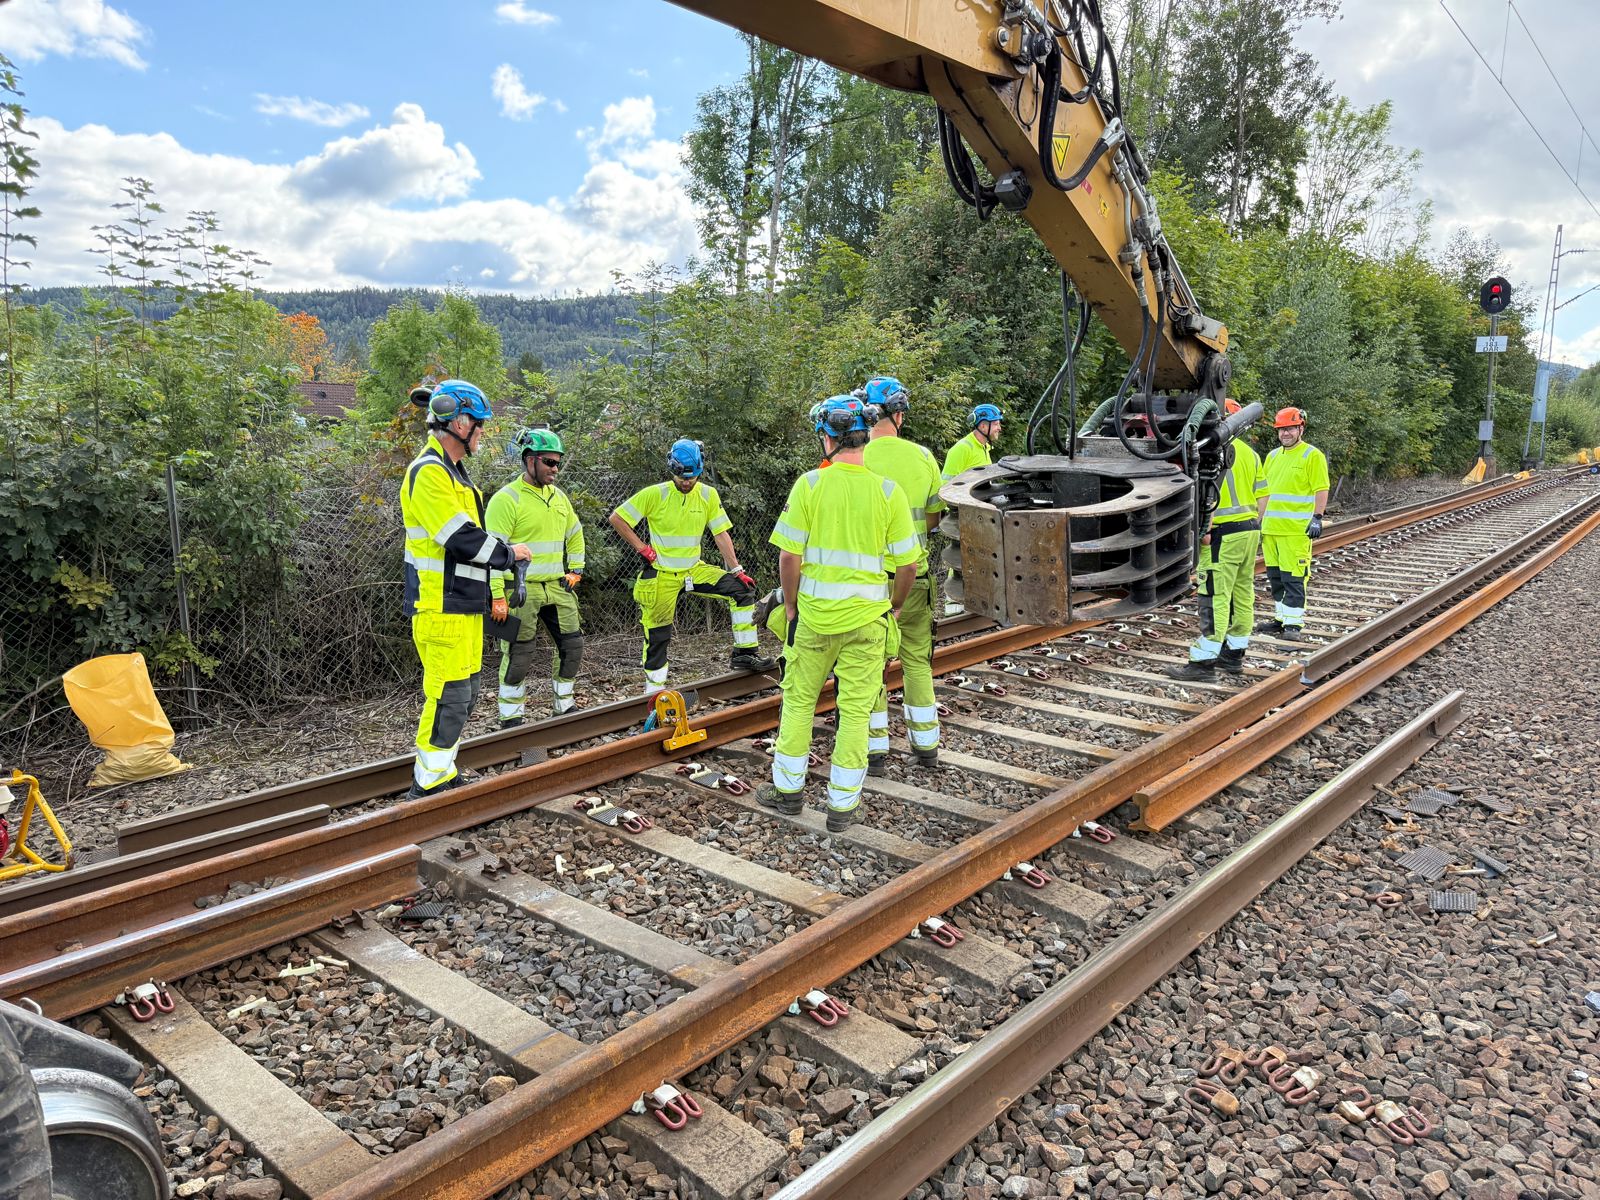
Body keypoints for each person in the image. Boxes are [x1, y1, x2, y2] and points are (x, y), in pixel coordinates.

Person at [757, 396, 918, 832]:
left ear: (827, 439)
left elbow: (789, 557)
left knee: (798, 704)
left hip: (812, 621)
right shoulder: (889, 492)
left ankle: (788, 793)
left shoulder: (809, 485)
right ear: (864, 439)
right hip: (867, 622)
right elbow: (908, 565)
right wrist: (896, 604)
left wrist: (791, 604)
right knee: (855, 712)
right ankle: (842, 807)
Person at [400, 379, 532, 798]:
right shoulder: (429, 473)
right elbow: (460, 538)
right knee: (450, 695)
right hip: (441, 605)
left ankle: (441, 772)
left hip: (463, 606)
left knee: (465, 693)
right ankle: (429, 784)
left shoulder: (454, 474)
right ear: (460, 423)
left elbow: (470, 542)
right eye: (480, 424)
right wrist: (509, 554)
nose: (483, 432)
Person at [609, 439, 775, 694]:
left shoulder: (708, 495)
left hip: (694, 570)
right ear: (672, 470)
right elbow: (617, 518)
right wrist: (642, 548)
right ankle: (654, 691)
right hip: (662, 574)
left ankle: (745, 654)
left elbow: (720, 533)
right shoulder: (655, 494)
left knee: (742, 591)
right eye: (681, 477)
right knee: (658, 633)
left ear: (699, 471)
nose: (686, 482)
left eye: (692, 477)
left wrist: (737, 570)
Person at [860, 376, 945, 770]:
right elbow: (934, 518)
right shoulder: (923, 457)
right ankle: (926, 747)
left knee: (870, 664)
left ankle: (875, 752)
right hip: (916, 578)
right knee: (917, 661)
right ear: (899, 414)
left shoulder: (853, 458)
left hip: (870, 583)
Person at [485, 427, 586, 726]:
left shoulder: (559, 497)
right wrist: (497, 595)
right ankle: (511, 718)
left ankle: (564, 706)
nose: (555, 469)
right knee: (519, 654)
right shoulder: (507, 500)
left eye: (558, 463)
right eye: (549, 462)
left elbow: (575, 533)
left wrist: (576, 570)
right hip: (519, 590)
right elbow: (492, 551)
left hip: (557, 586)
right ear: (530, 460)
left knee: (572, 647)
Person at [1168, 399, 1265, 681]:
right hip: (1249, 530)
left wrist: (1205, 530)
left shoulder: (1214, 450)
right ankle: (1234, 654)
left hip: (1222, 534)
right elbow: (1264, 495)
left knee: (1214, 595)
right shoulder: (1251, 454)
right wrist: (1254, 524)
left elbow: (1208, 493)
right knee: (1243, 592)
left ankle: (1204, 662)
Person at [1257, 406, 1329, 641]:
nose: (1285, 433)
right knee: (1276, 578)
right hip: (1271, 530)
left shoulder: (1312, 455)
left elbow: (1321, 488)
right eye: (1281, 429)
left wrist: (1317, 517)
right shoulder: (1272, 456)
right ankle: (1281, 619)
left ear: (1301, 429)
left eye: (1290, 428)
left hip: (1296, 531)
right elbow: (1264, 492)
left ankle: (1293, 625)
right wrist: (1258, 520)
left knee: (1294, 578)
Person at [938, 403, 1004, 614]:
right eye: (996, 423)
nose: (999, 427)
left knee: (978, 559)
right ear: (983, 425)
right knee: (960, 557)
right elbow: (946, 485)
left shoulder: (984, 448)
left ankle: (975, 603)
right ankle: (953, 604)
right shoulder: (962, 449)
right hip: (964, 515)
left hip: (980, 515)